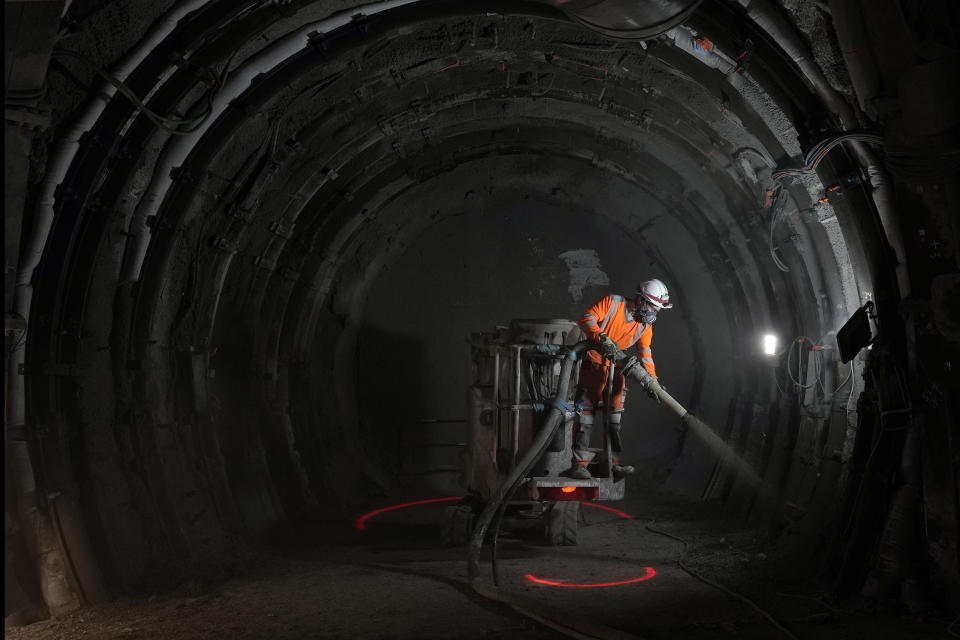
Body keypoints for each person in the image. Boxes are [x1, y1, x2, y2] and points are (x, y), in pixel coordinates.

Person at [568, 279, 672, 480]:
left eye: (657, 310)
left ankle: (612, 464)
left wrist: (653, 381)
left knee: (614, 422)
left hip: (616, 372)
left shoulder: (644, 326)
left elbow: (645, 354)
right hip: (593, 366)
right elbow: (587, 318)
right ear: (640, 300)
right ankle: (579, 465)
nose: (654, 314)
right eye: (653, 308)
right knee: (585, 419)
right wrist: (602, 338)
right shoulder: (612, 303)